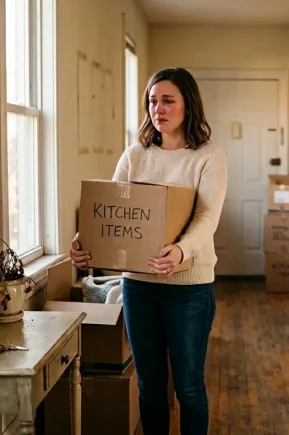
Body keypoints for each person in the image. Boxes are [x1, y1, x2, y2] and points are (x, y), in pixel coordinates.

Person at [69, 67, 227, 435]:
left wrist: (180, 251)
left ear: (189, 106)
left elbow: (207, 216)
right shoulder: (135, 154)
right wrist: (85, 240)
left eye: (168, 100)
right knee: (149, 386)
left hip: (189, 287)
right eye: (153, 101)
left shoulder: (208, 156)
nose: (159, 108)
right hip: (138, 286)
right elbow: (110, 208)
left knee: (188, 387)